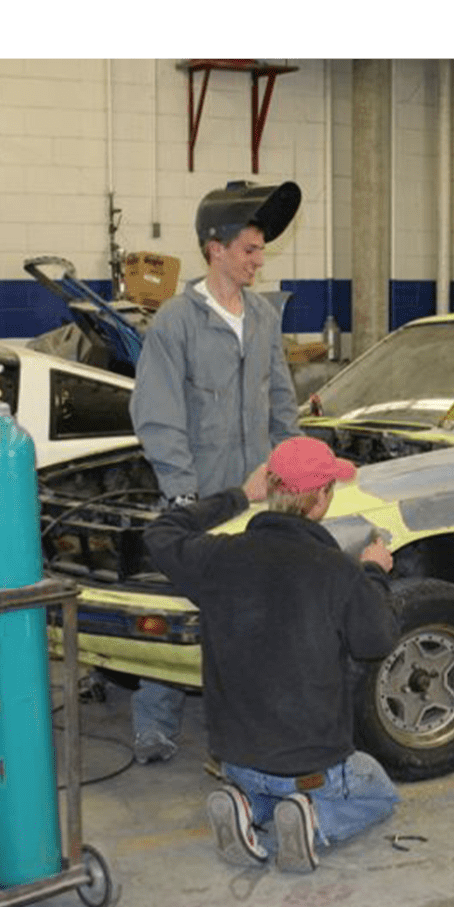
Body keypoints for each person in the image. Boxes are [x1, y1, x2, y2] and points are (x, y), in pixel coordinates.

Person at [143, 435, 401, 873]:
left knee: (264, 781)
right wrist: (374, 571)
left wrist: (239, 495)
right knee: (379, 791)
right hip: (312, 766)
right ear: (320, 499)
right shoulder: (336, 569)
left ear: (271, 488)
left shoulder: (218, 558)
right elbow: (376, 640)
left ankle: (250, 809)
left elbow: (160, 532)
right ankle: (313, 821)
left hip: (236, 759)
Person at [127, 180, 303, 765]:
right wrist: (182, 492)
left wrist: (294, 464)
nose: (257, 260)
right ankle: (153, 720)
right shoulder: (175, 322)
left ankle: (245, 721)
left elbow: (281, 398)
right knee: (184, 600)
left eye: (260, 250)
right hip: (200, 494)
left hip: (259, 492)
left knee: (254, 606)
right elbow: (156, 412)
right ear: (215, 248)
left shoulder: (262, 317)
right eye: (249, 250)